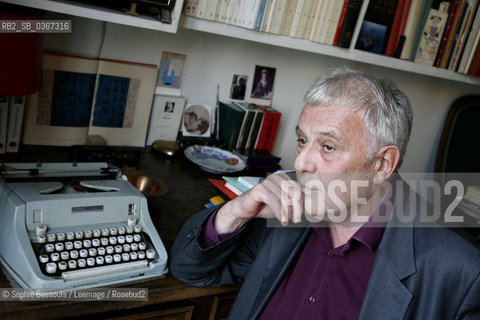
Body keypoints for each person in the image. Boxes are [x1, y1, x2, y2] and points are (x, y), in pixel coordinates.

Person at [170, 68, 480, 319]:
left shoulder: (460, 271)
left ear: (383, 163)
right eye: (302, 140)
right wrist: (234, 211)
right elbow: (189, 270)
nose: (301, 162)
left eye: (328, 147)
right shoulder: (284, 208)